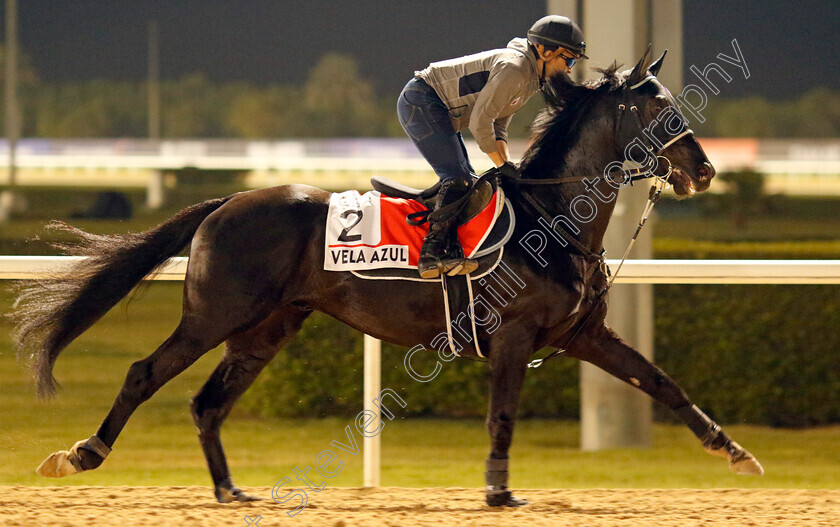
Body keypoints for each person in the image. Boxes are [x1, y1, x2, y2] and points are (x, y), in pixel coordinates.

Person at [397, 15, 588, 279]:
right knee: (458, 179)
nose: (569, 68)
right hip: (421, 101)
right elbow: (480, 123)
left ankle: (450, 246)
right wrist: (501, 165)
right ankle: (431, 254)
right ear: (544, 50)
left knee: (469, 182)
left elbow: (498, 127)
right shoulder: (516, 68)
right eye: (568, 59)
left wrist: (507, 165)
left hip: (433, 105)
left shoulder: (532, 77)